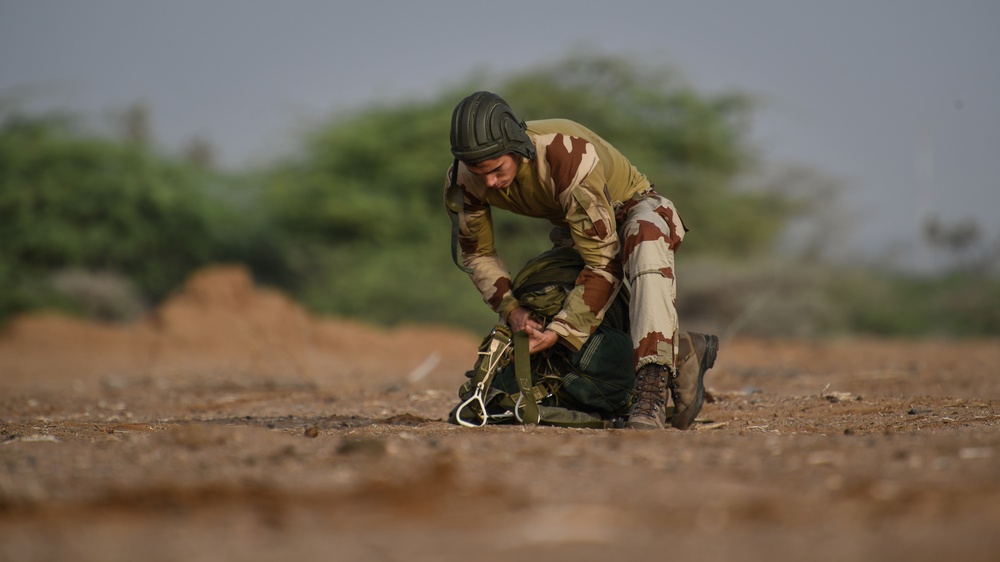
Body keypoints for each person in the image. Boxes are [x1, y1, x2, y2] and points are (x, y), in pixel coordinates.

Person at [444, 91, 718, 430]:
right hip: (578, 227)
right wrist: (512, 309)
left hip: (632, 210)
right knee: (553, 298)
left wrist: (561, 331)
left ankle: (651, 389)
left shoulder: (565, 155)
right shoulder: (463, 179)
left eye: (497, 169)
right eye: (477, 170)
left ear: (517, 147)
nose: (489, 182)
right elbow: (477, 253)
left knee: (644, 241)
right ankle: (684, 349)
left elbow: (604, 261)